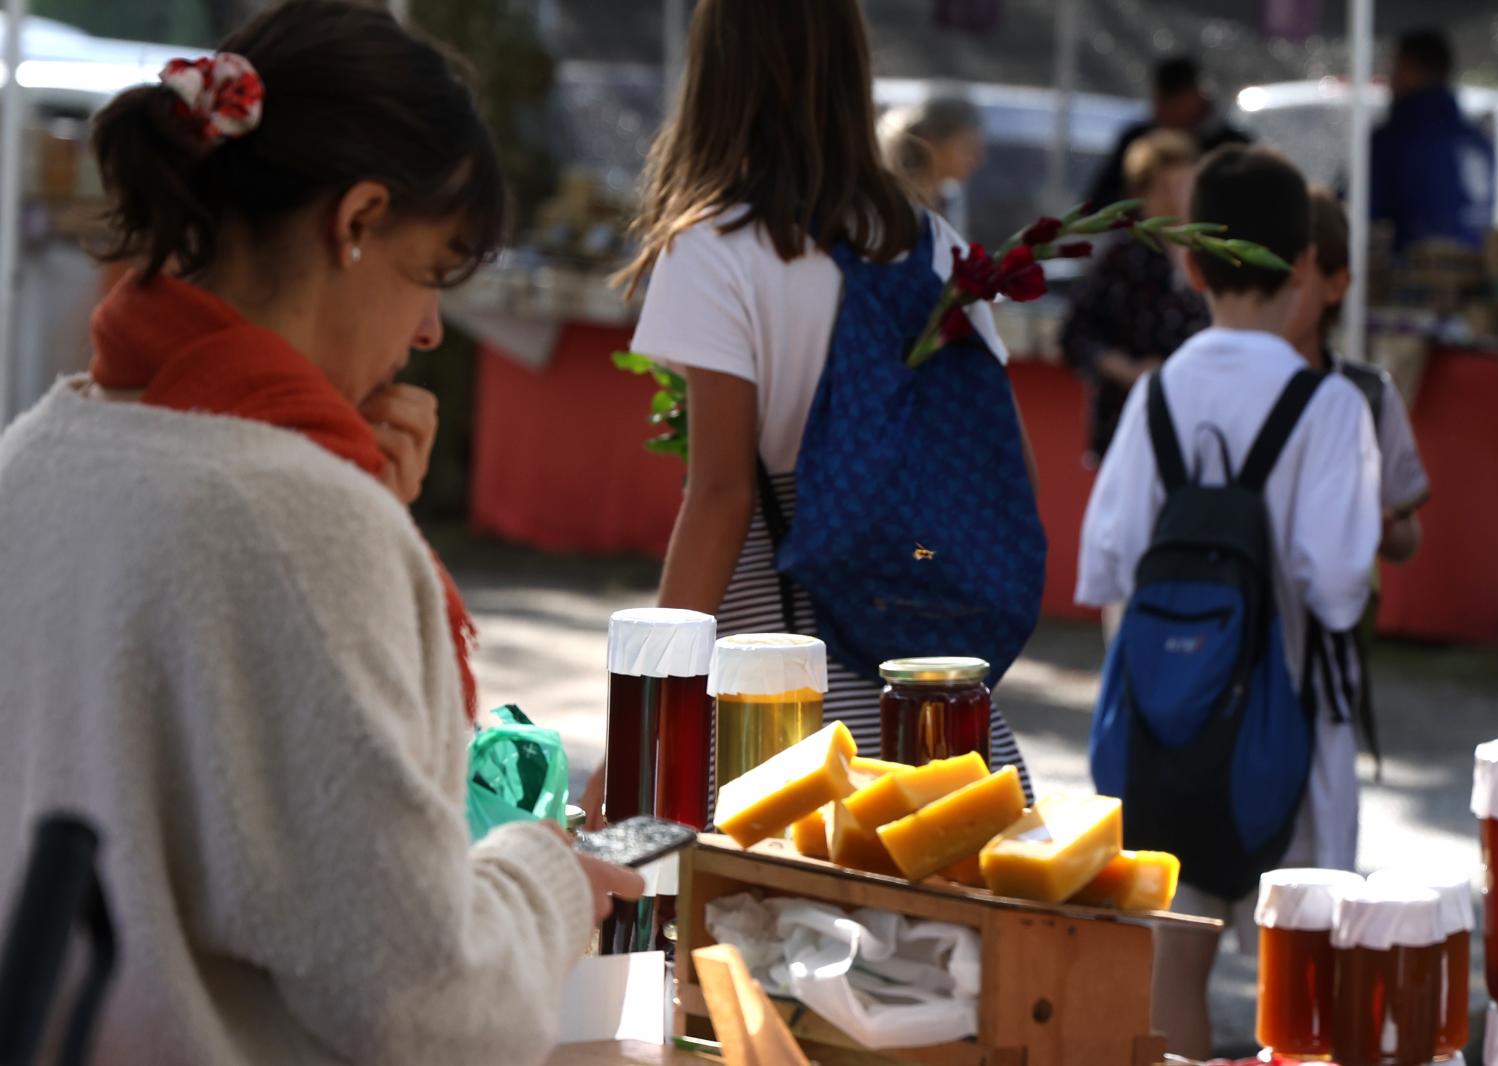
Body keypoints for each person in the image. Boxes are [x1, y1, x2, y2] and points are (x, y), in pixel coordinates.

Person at [0, 4, 642, 1063]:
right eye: (433, 272)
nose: (430, 330)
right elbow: (424, 1003)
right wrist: (545, 879)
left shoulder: (38, 453)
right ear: (356, 221)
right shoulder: (300, 514)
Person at [605, 0, 1036, 798]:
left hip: (773, 691)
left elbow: (722, 495)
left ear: (716, 72)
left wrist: (639, 728)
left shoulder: (717, 248)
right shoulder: (930, 242)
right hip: (923, 702)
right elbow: (988, 460)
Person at [1076, 146, 1380, 1058]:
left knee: (1174, 962)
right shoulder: (1329, 409)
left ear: (1191, 263)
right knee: (1308, 979)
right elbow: (1335, 590)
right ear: (1301, 267)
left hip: (1170, 733)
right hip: (1294, 733)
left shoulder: (1156, 397)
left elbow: (1107, 567)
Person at [1287, 187, 1431, 787]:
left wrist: (1375, 518)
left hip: (1330, 657)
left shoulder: (1369, 395)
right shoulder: (1214, 385)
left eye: (1295, 274)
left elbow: (1407, 538)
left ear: (1336, 283)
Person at [1062, 129, 1210, 464]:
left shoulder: (1210, 253)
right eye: (1164, 188)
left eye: (1183, 185)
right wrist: (1128, 369)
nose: (1175, 199)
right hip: (1131, 421)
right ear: (1141, 196)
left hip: (1198, 422)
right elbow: (1075, 333)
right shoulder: (1121, 257)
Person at [1371, 28, 1496, 253]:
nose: (1391, 81)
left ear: (1412, 70)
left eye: (1396, 68)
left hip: (1412, 279)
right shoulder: (1479, 142)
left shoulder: (1397, 138)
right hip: (1476, 279)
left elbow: (1358, 210)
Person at [1084, 55, 1251, 212]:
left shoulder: (1232, 146)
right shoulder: (1137, 140)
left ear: (1196, 98)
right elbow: (1098, 204)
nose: (1173, 198)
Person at [878, 96, 985, 228]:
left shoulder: (947, 200)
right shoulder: (895, 205)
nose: (977, 159)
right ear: (929, 143)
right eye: (967, 147)